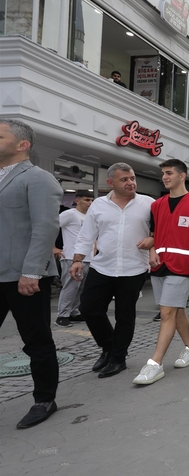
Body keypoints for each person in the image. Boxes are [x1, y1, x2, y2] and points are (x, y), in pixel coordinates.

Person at [0, 119, 62, 429]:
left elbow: (45, 228)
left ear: (22, 144)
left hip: (24, 276)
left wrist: (32, 272)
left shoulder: (39, 179)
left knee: (36, 341)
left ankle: (44, 400)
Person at [70, 163, 153, 379]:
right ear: (111, 183)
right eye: (124, 179)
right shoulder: (98, 205)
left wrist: (153, 238)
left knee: (125, 315)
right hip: (103, 266)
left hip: (134, 268)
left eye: (132, 178)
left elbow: (163, 229)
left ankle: (118, 358)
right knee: (89, 308)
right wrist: (77, 259)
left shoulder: (148, 204)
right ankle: (108, 347)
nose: (130, 183)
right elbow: (87, 234)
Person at [132, 159, 189, 385]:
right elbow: (155, 234)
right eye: (163, 174)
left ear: (182, 175)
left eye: (169, 173)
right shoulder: (157, 205)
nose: (165, 177)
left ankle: (154, 364)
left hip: (183, 266)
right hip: (159, 265)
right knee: (176, 311)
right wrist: (152, 251)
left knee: (167, 312)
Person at [55, 190, 94, 327]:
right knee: (70, 287)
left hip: (88, 258)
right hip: (71, 257)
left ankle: (74, 312)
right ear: (77, 200)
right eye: (87, 200)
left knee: (81, 288)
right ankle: (62, 315)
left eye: (91, 200)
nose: (90, 203)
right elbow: (52, 227)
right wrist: (53, 247)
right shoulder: (69, 214)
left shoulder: (90, 217)